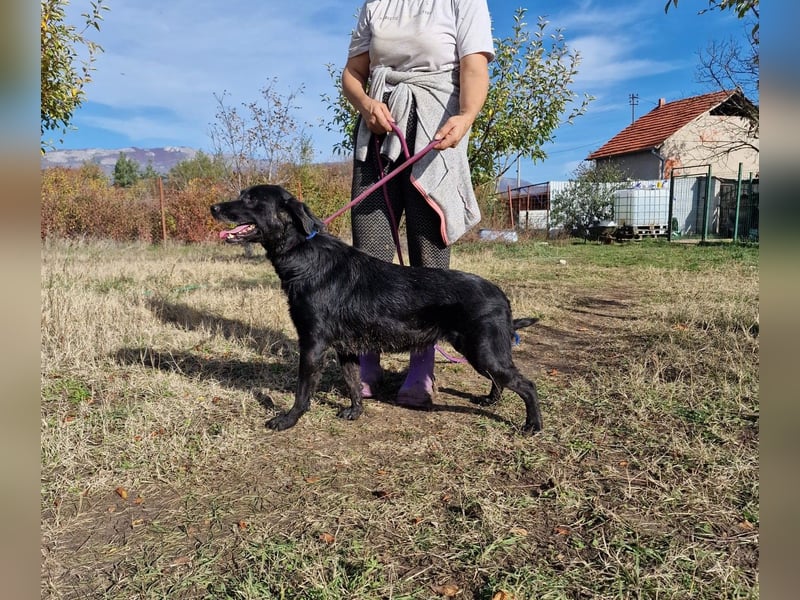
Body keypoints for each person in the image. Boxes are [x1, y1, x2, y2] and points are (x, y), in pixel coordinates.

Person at [341, 0, 495, 408]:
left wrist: (466, 117)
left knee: (429, 251)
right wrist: (366, 104)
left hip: (435, 127)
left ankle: (422, 365)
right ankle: (367, 356)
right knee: (369, 253)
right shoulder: (375, 5)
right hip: (378, 129)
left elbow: (475, 67)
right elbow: (353, 74)